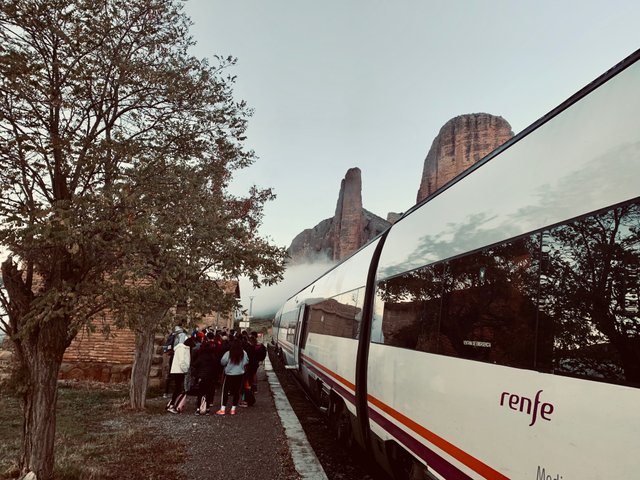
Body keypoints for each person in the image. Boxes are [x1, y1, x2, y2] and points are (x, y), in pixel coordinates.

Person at [217, 338, 249, 416]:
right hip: (239, 375)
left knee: (225, 391)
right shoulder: (244, 353)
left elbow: (222, 362)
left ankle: (223, 409)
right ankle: (233, 409)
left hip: (229, 375)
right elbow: (246, 361)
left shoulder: (228, 353)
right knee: (236, 392)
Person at [192, 331, 221, 415]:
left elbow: (195, 364)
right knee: (208, 392)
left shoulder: (201, 357)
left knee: (200, 393)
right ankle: (207, 408)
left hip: (202, 376)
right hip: (210, 377)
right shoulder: (213, 357)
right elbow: (216, 367)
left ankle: (198, 409)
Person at [167, 331, 190, 414]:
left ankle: (173, 403)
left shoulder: (180, 348)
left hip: (178, 371)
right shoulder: (182, 349)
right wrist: (185, 370)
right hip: (179, 371)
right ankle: (172, 404)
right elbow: (182, 361)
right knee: (177, 388)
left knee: (178, 388)